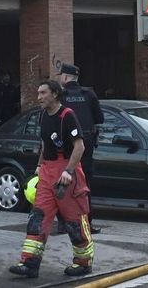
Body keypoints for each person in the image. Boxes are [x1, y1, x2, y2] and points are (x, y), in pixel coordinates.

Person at [8, 79, 95, 279]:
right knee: (38, 217)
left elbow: (79, 146)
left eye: (43, 93)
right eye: (38, 93)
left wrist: (69, 171)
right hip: (47, 172)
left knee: (74, 220)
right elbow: (45, 144)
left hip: (67, 173)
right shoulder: (43, 116)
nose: (39, 97)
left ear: (55, 94)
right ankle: (30, 262)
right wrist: (39, 167)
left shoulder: (67, 115)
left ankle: (83, 262)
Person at [56, 63, 104, 233]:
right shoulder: (89, 94)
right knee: (85, 185)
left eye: (61, 76)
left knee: (63, 183)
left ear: (65, 77)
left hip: (65, 145)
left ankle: (63, 223)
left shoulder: (61, 95)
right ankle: (87, 224)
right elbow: (100, 118)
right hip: (86, 144)